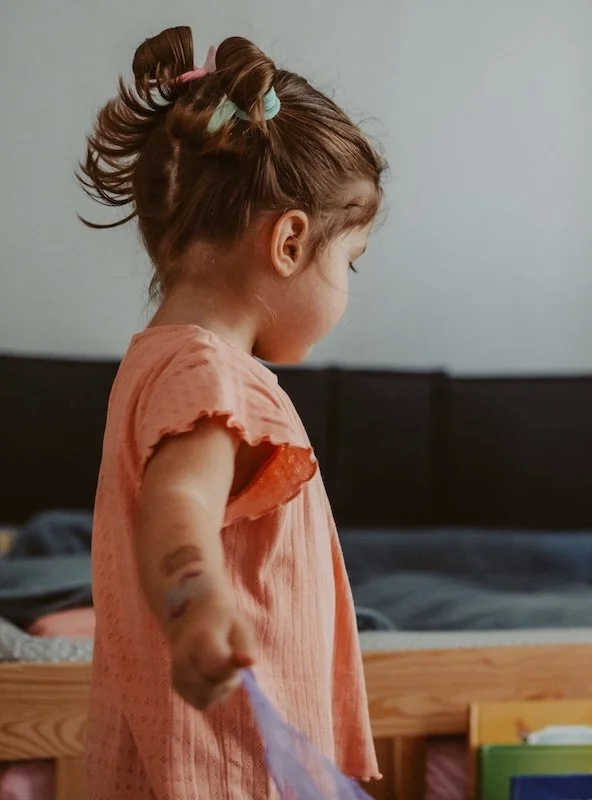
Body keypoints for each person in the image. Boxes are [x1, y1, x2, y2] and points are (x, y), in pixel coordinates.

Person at [79, 26, 386, 799]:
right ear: (290, 242)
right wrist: (196, 602)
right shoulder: (212, 373)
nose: (347, 288)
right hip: (229, 762)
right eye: (349, 263)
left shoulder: (157, 360)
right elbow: (180, 500)